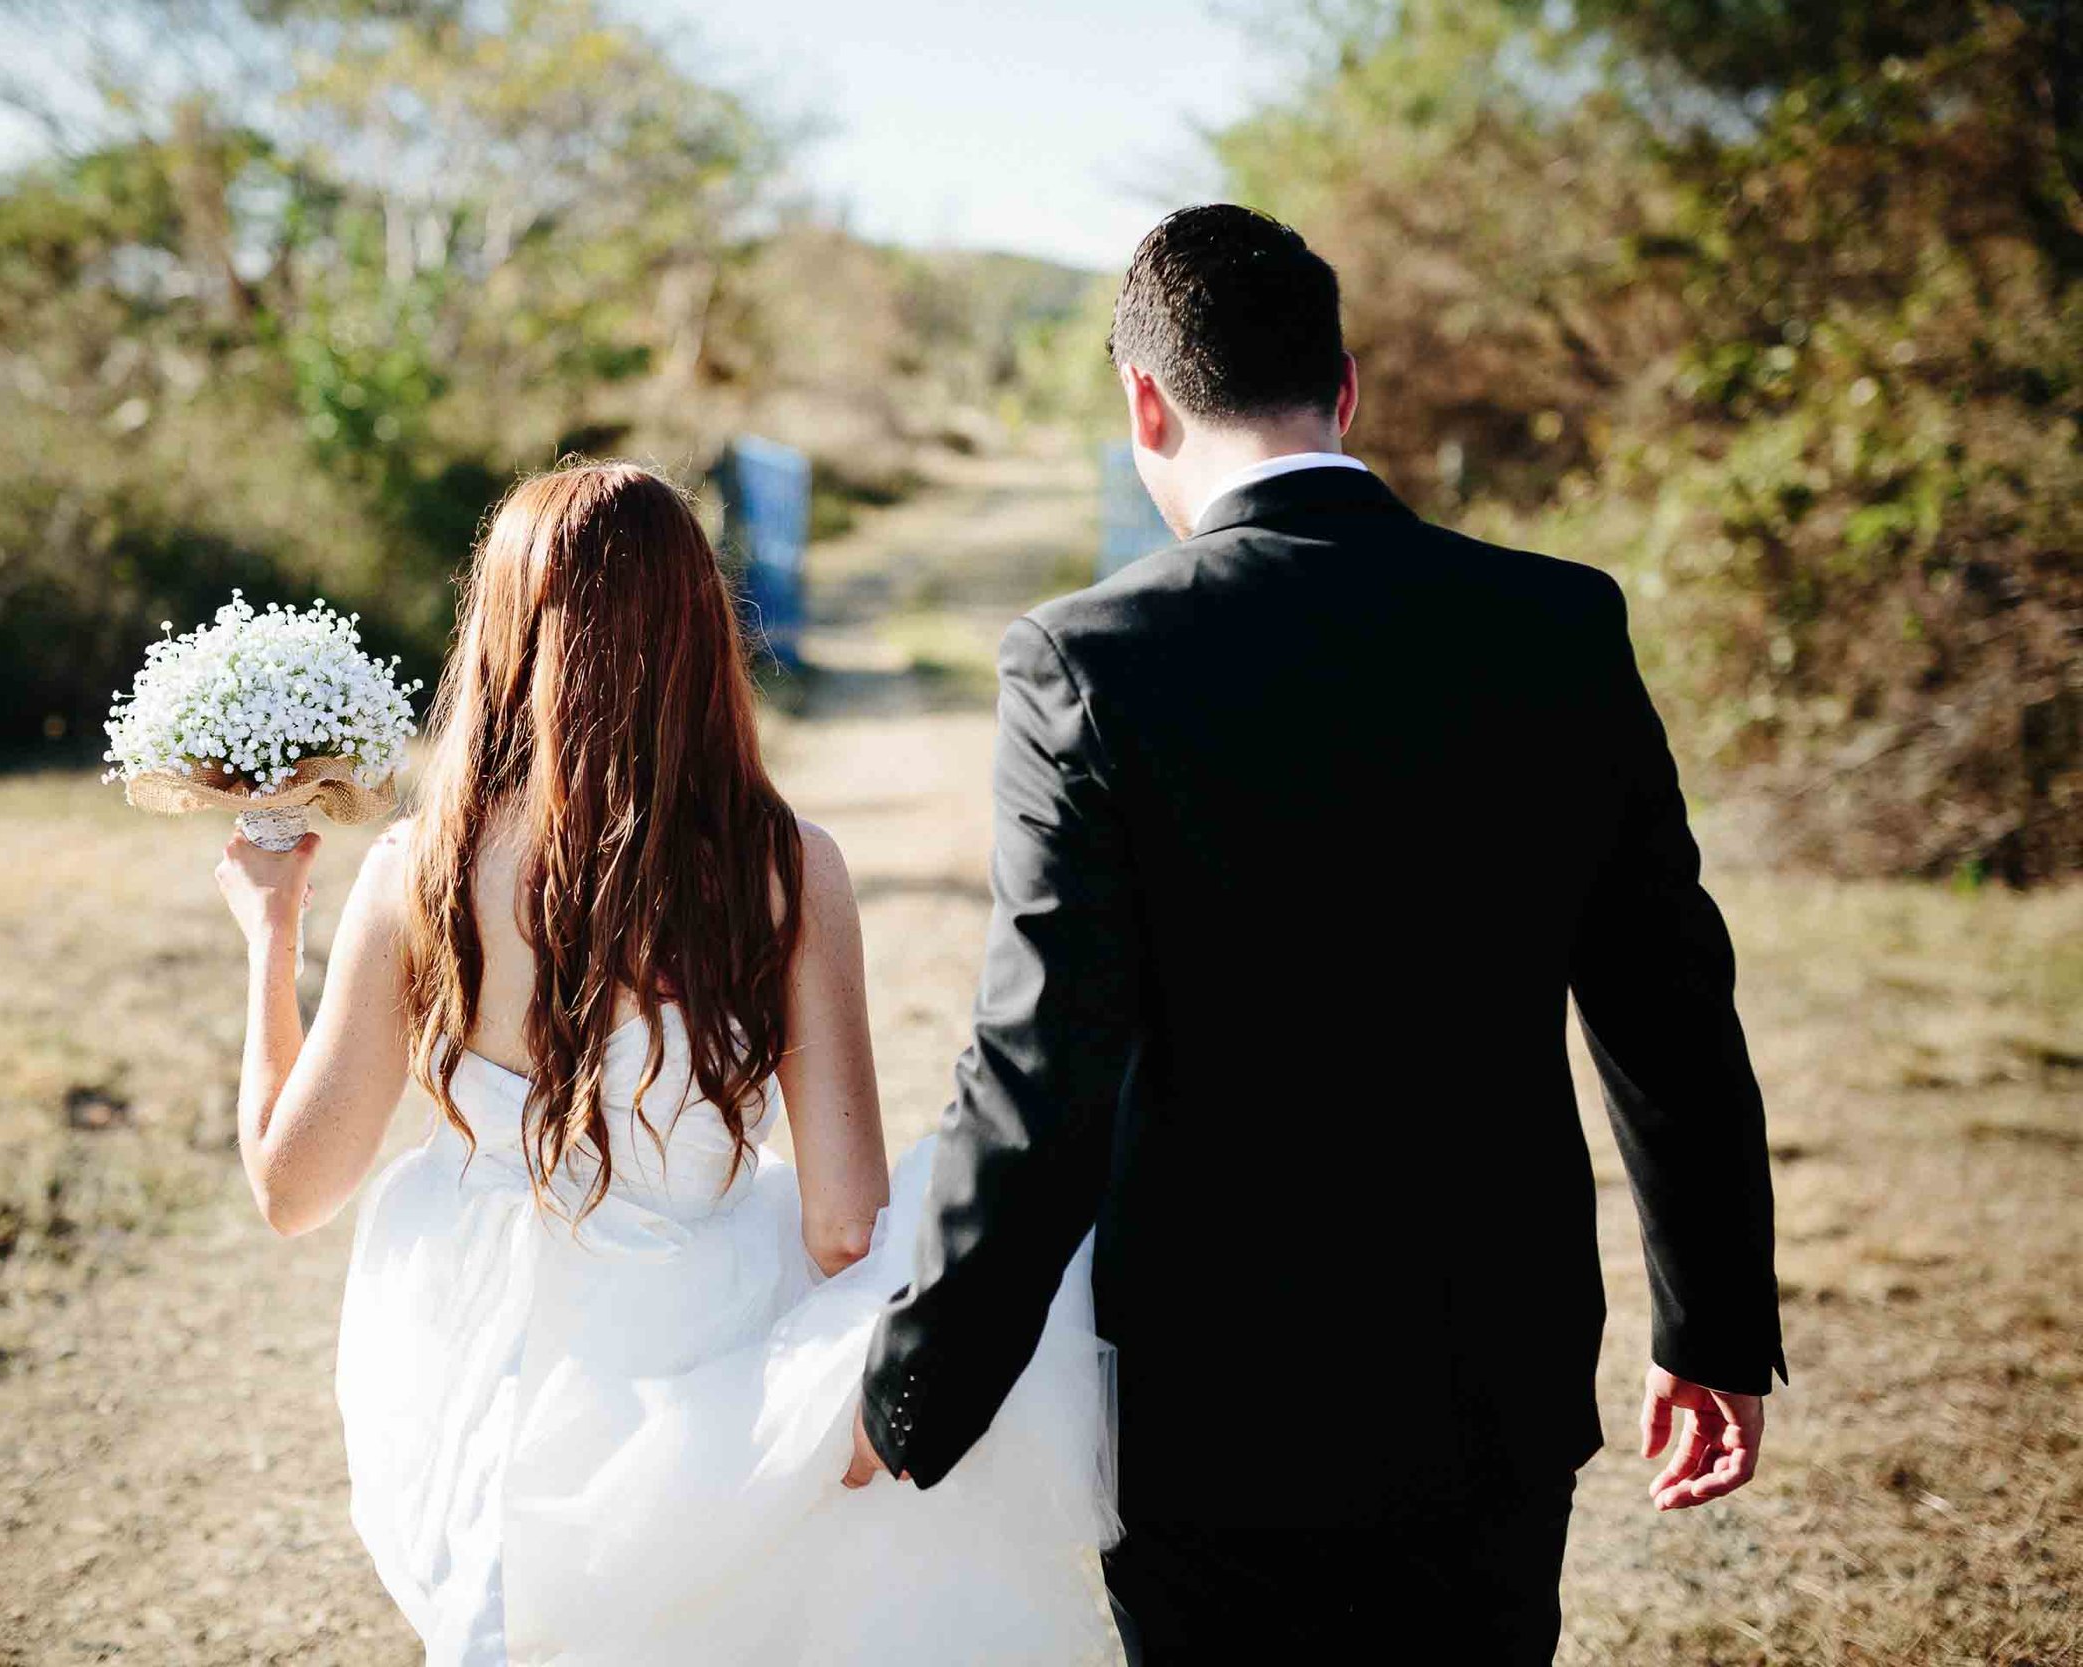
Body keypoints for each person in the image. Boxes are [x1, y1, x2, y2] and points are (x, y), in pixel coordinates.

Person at [845, 204, 1788, 1664]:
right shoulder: (1557, 624)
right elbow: (1670, 1007)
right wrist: (1713, 1326)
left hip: (1217, 1402)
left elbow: (1043, 1071)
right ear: (1345, 388)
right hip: (1497, 1375)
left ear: (1144, 403)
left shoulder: (1088, 662)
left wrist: (921, 1380)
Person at [212, 462, 1119, 1666]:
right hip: (699, 1342)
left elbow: (292, 1187)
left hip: (478, 1350)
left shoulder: (417, 868)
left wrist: (270, 929)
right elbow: (850, 1220)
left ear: (503, 629)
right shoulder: (787, 865)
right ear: (700, 628)